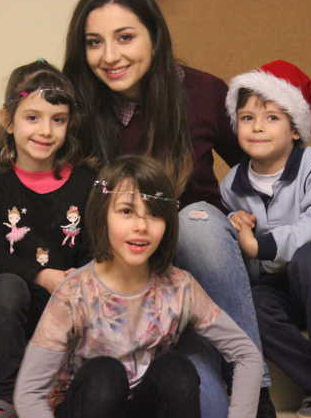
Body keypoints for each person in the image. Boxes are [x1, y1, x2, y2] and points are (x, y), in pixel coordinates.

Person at [0, 0, 311, 417]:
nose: (110, 56)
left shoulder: (204, 93)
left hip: (195, 268)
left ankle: (259, 392)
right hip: (119, 273)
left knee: (197, 222)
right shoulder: (76, 105)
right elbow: (39, 185)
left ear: (155, 34)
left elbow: (271, 152)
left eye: (125, 37)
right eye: (95, 42)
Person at [14, 155, 263, 418]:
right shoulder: (75, 292)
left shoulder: (180, 287)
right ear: (102, 216)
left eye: (154, 214)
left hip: (146, 405)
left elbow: (246, 354)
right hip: (89, 402)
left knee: (176, 371)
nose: (141, 226)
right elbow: (29, 393)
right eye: (126, 211)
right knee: (104, 375)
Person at [220, 60, 311, 418]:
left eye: (272, 118)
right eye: (247, 118)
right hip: (285, 288)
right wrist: (233, 220)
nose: (258, 127)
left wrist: (265, 244)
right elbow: (239, 243)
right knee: (252, 303)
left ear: (295, 130)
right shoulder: (231, 185)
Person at [0, 60, 96, 418]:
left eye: (57, 119)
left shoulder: (86, 182)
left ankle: (66, 384)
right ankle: (4, 397)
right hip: (11, 307)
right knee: (6, 287)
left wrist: (75, 283)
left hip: (67, 302)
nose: (45, 130)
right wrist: (43, 276)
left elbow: (92, 249)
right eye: (32, 118)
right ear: (8, 120)